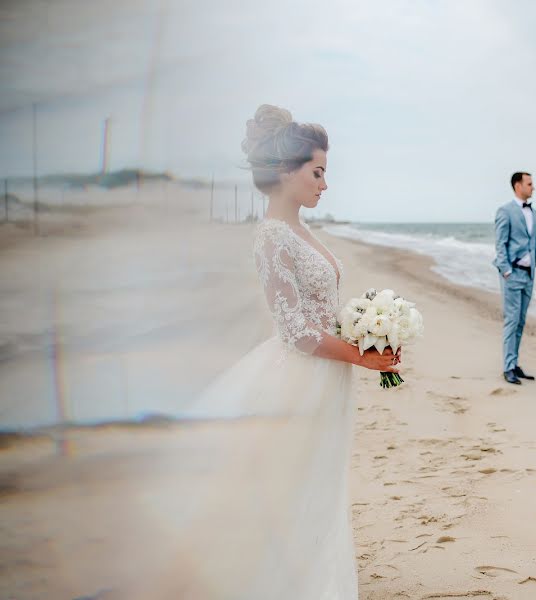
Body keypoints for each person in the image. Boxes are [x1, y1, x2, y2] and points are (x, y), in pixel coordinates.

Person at [132, 104, 398, 599]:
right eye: (317, 172)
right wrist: (359, 354)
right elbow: (295, 330)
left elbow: (320, 310)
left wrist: (368, 335)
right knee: (293, 486)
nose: (324, 184)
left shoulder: (300, 229)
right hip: (301, 376)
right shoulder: (272, 235)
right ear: (284, 170)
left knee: (317, 483)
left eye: (325, 173)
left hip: (328, 372)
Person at [493, 171, 536, 385]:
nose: (533, 187)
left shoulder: (533, 213)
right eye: (529, 184)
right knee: (511, 320)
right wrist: (506, 270)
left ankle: (514, 364)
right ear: (518, 186)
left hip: (529, 275)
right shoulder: (505, 211)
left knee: (521, 322)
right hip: (512, 274)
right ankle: (507, 368)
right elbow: (500, 244)